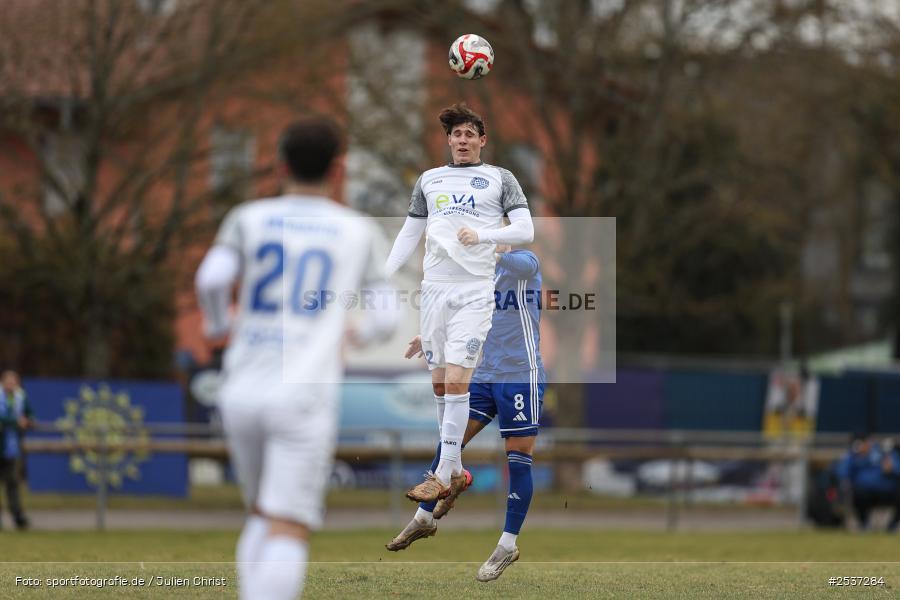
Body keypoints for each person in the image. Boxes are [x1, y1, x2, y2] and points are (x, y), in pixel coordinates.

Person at [195, 117, 398, 600]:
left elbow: (211, 279)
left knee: (261, 513)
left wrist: (218, 328)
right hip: (303, 393)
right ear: (338, 170)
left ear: (280, 164)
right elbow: (387, 317)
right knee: (287, 524)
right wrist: (358, 335)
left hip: (240, 389)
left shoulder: (248, 218)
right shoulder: (357, 230)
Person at [384, 103, 534, 505]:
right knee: (439, 384)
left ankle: (440, 473)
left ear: (482, 140)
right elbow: (408, 234)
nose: (462, 140)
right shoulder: (429, 179)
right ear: (448, 140)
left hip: (474, 290)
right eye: (456, 134)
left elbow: (525, 230)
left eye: (470, 134)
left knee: (456, 380)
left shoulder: (500, 178)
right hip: (434, 290)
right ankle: (454, 470)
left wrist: (483, 236)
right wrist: (381, 278)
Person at [386, 244, 544, 582]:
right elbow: (464, 319)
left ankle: (507, 544)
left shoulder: (523, 261)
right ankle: (425, 517)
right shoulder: (475, 277)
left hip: (520, 375)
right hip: (485, 375)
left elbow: (526, 265)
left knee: (518, 458)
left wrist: (491, 249)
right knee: (450, 439)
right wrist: (429, 334)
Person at [835, 433, 900, 532]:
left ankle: (892, 526)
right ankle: (864, 524)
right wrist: (855, 458)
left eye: (864, 443)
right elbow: (841, 471)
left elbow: (897, 469)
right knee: (857, 493)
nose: (862, 446)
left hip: (887, 490)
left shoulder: (884, 451)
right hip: (864, 492)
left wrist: (892, 468)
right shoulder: (854, 455)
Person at [0, 370, 32, 530]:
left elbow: (29, 414)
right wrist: (15, 421)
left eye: (13, 382)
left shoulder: (21, 397)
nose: (10, 385)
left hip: (11, 448)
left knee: (13, 483)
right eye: (8, 382)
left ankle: (18, 516)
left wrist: (28, 421)